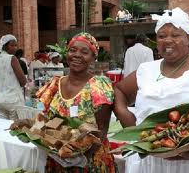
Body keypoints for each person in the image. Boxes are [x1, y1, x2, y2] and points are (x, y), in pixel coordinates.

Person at [114, 7, 189, 173]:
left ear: (188, 38)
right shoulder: (146, 70)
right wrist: (127, 120)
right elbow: (120, 90)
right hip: (151, 161)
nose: (167, 40)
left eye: (175, 35)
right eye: (162, 36)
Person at [11, 32, 117, 173]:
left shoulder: (99, 86)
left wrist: (78, 156)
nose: (77, 55)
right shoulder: (55, 84)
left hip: (91, 162)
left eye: (84, 52)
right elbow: (49, 123)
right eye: (73, 50)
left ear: (94, 57)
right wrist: (29, 126)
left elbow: (102, 131)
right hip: (58, 160)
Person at [0, 34, 27, 120]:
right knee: (15, 127)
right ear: (5, 46)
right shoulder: (12, 58)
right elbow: (23, 81)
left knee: (4, 125)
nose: (15, 48)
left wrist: (2, 83)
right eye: (12, 45)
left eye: (16, 45)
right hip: (13, 100)